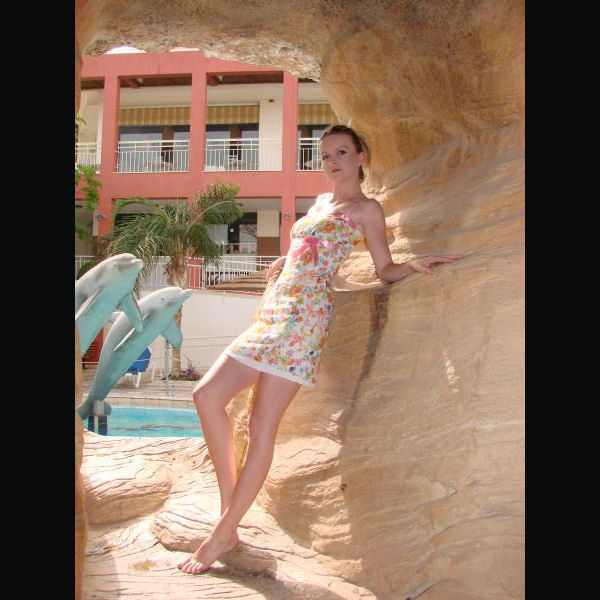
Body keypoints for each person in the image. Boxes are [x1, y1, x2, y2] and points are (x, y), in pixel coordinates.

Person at [177, 124, 463, 574]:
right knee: (206, 396)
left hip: (304, 320)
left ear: (361, 157)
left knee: (261, 427)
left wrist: (414, 265)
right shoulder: (318, 204)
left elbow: (384, 268)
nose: (332, 162)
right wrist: (284, 261)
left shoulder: (367, 210)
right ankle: (227, 519)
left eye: (341, 152)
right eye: (325, 155)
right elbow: (308, 248)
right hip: (274, 312)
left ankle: (222, 532)